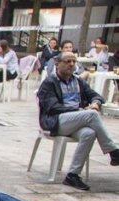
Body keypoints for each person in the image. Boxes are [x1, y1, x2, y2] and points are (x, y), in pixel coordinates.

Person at [37, 51, 119, 191]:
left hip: (75, 120)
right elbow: (52, 107)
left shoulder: (78, 81)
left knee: (89, 133)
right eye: (67, 61)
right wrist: (80, 111)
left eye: (74, 62)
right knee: (91, 115)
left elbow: (97, 96)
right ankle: (113, 151)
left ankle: (72, 175)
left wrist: (95, 103)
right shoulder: (49, 83)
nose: (71, 64)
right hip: (56, 121)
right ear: (57, 64)